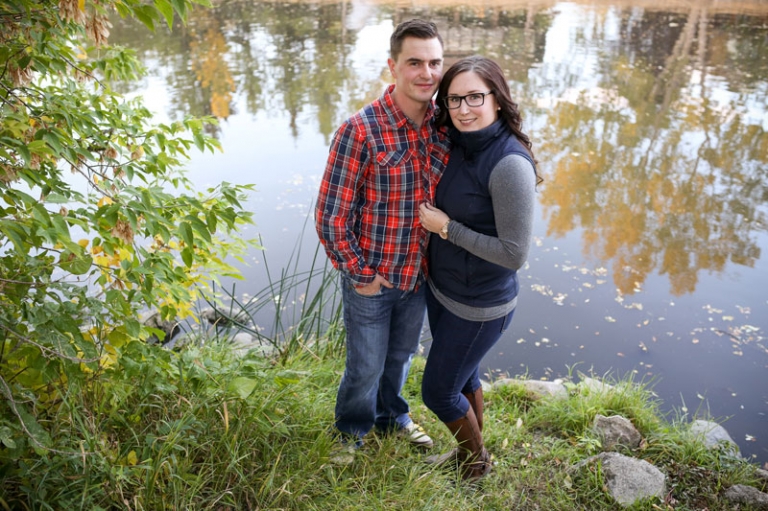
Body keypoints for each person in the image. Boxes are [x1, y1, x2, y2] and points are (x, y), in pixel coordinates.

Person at [315, 19, 450, 462]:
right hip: (372, 277)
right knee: (365, 365)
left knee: (401, 358)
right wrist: (361, 275)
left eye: (434, 63)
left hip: (418, 276)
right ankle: (351, 431)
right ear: (393, 67)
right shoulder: (360, 130)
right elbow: (331, 216)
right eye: (415, 62)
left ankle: (393, 416)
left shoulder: (442, 125)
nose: (426, 73)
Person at [418, 55, 542, 481]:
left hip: (479, 305)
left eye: (475, 96)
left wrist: (447, 228)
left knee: (437, 390)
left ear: (497, 98)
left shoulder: (508, 164)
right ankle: (470, 455)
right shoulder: (455, 141)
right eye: (454, 99)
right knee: (465, 374)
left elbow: (514, 254)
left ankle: (475, 463)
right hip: (445, 291)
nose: (464, 108)